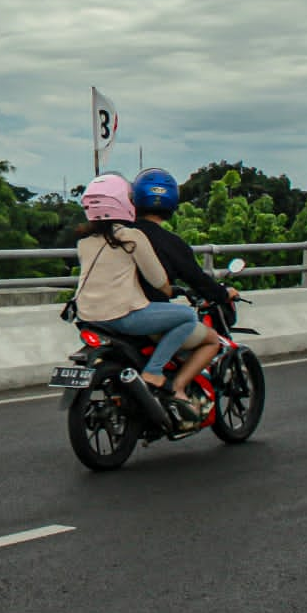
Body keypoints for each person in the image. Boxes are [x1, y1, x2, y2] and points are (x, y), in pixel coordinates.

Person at [73, 173, 207, 423]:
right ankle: (154, 372)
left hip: (88, 318)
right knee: (187, 316)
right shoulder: (131, 237)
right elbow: (158, 279)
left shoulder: (85, 243)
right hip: (124, 317)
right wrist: (168, 291)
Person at [129, 167, 236, 418]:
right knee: (211, 340)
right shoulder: (172, 243)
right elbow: (198, 280)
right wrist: (223, 293)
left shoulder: (121, 236)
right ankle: (177, 389)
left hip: (112, 312)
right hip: (148, 317)